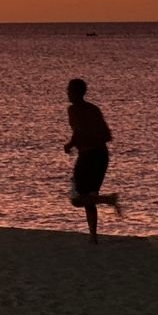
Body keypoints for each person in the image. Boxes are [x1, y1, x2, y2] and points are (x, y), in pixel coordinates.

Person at [63, 78, 121, 243]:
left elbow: (78, 131)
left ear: (75, 93)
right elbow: (106, 134)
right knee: (89, 196)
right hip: (102, 156)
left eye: (69, 90)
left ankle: (108, 199)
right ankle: (93, 237)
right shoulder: (94, 109)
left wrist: (70, 145)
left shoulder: (73, 110)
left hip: (88, 156)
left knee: (76, 199)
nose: (67, 93)